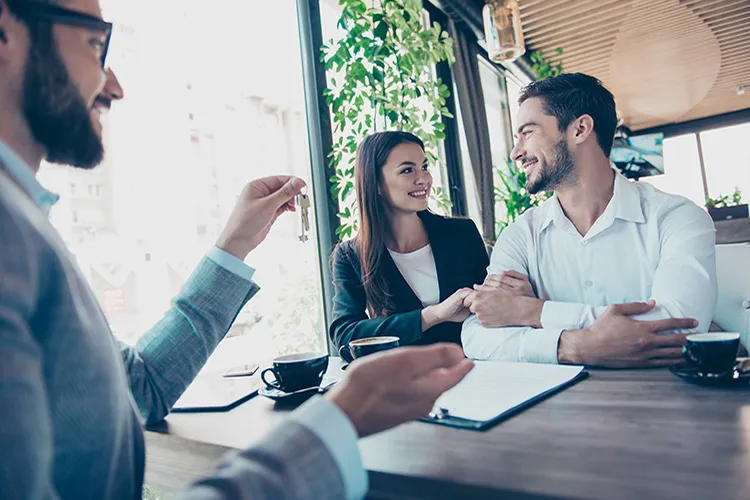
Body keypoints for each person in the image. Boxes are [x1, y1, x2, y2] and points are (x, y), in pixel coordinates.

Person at [0, 1, 474, 499]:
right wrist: (335, 423)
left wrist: (236, 243)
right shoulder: (12, 239)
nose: (114, 86)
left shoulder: (28, 227)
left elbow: (141, 391)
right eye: (97, 45)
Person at [462, 73, 715, 367]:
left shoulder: (679, 218)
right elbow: (477, 333)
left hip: (662, 399)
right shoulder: (520, 235)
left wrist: (532, 312)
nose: (516, 152)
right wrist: (572, 346)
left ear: (580, 129)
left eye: (527, 133)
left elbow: (680, 327)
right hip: (551, 406)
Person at [330, 131, 489, 355]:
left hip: (476, 368)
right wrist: (431, 315)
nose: (423, 178)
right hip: (406, 380)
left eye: (424, 167)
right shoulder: (351, 256)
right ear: (375, 184)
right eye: (407, 170)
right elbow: (345, 335)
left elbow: (493, 304)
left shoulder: (461, 234)